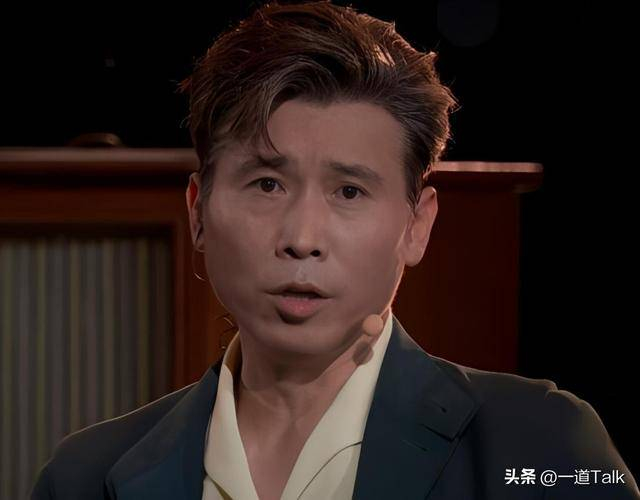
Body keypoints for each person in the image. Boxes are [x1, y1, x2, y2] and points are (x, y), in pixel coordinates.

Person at [31, 1, 638, 499]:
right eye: (266, 185)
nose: (302, 239)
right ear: (198, 211)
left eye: (349, 191)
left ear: (417, 224)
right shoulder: (84, 478)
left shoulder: (544, 449)